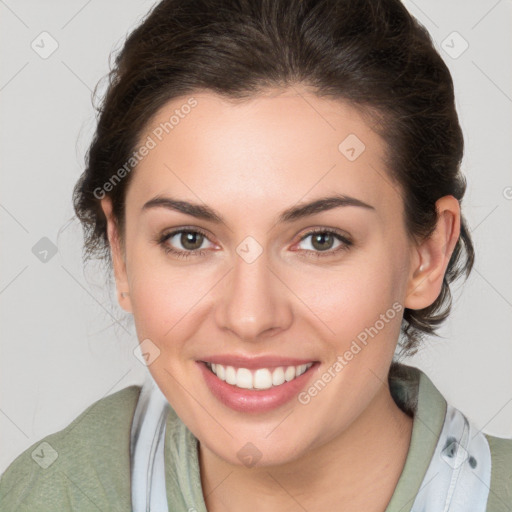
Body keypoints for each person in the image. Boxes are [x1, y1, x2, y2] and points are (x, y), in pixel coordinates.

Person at [1, 0, 510, 510]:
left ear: (426, 256)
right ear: (121, 251)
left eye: (321, 240)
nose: (250, 317)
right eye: (189, 239)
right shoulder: (50, 495)